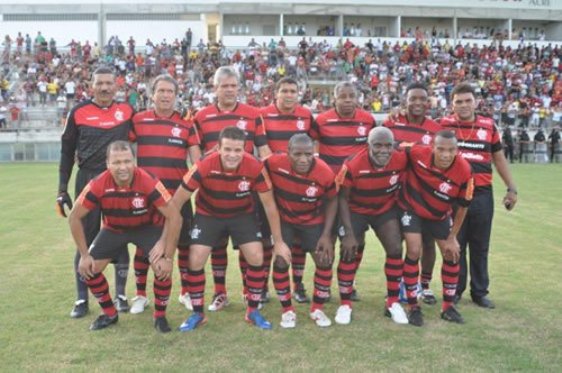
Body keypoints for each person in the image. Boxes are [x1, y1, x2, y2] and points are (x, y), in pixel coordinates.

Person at [172, 126, 291, 331]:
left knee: (256, 256)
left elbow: (270, 205)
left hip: (241, 215)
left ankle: (252, 311)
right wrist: (167, 240)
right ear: (218, 148)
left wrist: (279, 242)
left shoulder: (254, 166)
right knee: (195, 258)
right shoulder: (204, 164)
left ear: (245, 150)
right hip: (208, 214)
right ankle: (198, 313)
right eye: (227, 149)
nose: (232, 155)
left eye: (238, 150)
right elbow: (177, 201)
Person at [68, 141, 181, 332]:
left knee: (162, 268)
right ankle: (110, 314)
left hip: (147, 228)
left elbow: (174, 216)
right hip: (114, 229)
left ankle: (160, 316)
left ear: (134, 162)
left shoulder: (147, 180)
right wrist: (84, 254)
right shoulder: (98, 184)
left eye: (127, 161)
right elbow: (74, 217)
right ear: (107, 164)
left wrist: (167, 254)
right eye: (117, 162)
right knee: (89, 270)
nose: (123, 167)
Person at [57, 66, 134, 319]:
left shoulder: (127, 111)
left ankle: (121, 296)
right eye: (99, 83)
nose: (104, 87)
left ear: (116, 85)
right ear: (91, 85)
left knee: (119, 233)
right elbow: (67, 152)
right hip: (88, 178)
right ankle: (82, 299)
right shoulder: (78, 112)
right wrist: (61, 189)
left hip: (119, 180)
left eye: (109, 83)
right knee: (86, 238)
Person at [193, 66, 271, 312]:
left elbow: (264, 150)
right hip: (212, 193)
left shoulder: (253, 114)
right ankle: (220, 292)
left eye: (233, 86)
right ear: (214, 88)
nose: (228, 90)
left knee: (245, 244)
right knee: (217, 246)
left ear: (239, 88)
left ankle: (249, 291)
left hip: (245, 192)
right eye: (223, 86)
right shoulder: (201, 116)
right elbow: (196, 157)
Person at [129, 74, 202, 314]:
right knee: (143, 246)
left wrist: (189, 189)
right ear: (152, 94)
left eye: (170, 91)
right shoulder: (138, 121)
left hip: (177, 198)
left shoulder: (186, 124)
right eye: (161, 91)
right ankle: (140, 295)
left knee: (184, 245)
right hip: (146, 197)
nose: (165, 95)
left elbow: (197, 161)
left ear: (176, 95)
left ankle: (186, 293)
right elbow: (122, 152)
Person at [440, 82, 517, 308]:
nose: (463, 106)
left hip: (482, 193)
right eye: (458, 102)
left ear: (476, 102)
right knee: (455, 243)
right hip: (453, 195)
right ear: (451, 104)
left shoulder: (488, 125)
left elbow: (499, 158)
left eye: (467, 101)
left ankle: (479, 291)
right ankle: (455, 290)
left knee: (480, 244)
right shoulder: (443, 125)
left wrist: (511, 187)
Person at [399, 130, 474, 326]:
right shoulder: (417, 152)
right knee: (414, 250)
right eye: (440, 149)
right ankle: (413, 306)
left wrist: (452, 237)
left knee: (452, 253)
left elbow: (463, 207)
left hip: (439, 214)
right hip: (412, 209)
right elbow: (395, 146)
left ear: (457, 150)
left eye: (451, 150)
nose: (445, 154)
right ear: (432, 147)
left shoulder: (465, 170)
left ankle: (448, 306)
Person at [336, 127, 409, 325]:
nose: (383, 150)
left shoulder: (401, 158)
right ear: (368, 145)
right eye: (377, 145)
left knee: (395, 247)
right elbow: (342, 198)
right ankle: (345, 303)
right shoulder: (353, 164)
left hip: (384, 208)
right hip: (356, 209)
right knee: (350, 248)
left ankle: (392, 302)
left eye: (388, 145)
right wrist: (348, 233)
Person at [311, 81, 376, 303]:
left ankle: (349, 282)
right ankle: (325, 285)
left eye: (351, 96)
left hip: (355, 193)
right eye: (343, 96)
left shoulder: (368, 120)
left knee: (356, 239)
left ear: (358, 98)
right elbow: (307, 147)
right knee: (327, 237)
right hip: (328, 192)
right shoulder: (321, 120)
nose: (347, 100)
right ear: (334, 99)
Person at [264, 134, 338, 328]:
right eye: (298, 154)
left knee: (325, 260)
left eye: (308, 154)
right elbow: (256, 167)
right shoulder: (274, 162)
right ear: (288, 153)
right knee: (280, 261)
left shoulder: (324, 172)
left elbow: (332, 200)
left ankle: (317, 309)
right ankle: (287, 310)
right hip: (284, 221)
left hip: (312, 221)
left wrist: (327, 235)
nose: (304, 159)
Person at [383, 82, 442, 305]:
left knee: (427, 243)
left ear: (428, 103)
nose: (417, 103)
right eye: (412, 99)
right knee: (397, 242)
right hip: (397, 192)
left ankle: (424, 285)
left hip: (426, 195)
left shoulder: (436, 128)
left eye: (422, 99)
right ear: (405, 101)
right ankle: (398, 285)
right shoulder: (392, 123)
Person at [261, 77, 315, 304]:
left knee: (298, 240)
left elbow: (314, 148)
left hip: (298, 187)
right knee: (266, 238)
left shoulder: (306, 116)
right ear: (276, 93)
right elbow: (261, 148)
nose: (289, 94)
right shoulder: (262, 114)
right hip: (271, 185)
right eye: (285, 91)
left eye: (293, 91)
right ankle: (261, 286)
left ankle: (298, 285)